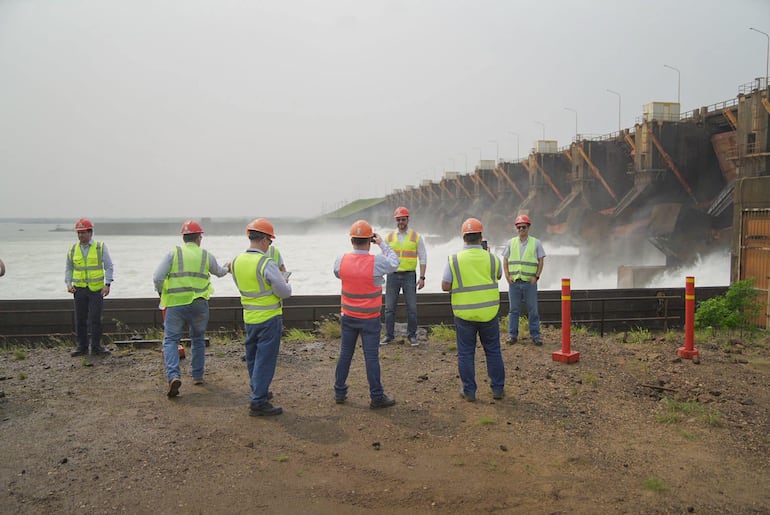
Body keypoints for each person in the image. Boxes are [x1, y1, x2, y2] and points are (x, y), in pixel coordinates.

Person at [153, 220, 229, 398]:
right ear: (199, 238)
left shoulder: (173, 253)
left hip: (176, 303)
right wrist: (228, 267)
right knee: (198, 339)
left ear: (183, 237)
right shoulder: (205, 255)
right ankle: (197, 376)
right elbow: (218, 272)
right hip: (199, 304)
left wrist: (160, 291)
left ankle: (173, 376)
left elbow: (157, 276)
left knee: (171, 340)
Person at [333, 219, 400, 409]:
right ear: (369, 240)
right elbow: (395, 262)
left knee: (345, 354)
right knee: (371, 357)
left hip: (348, 316)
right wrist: (382, 243)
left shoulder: (341, 260)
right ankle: (376, 397)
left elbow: (337, 273)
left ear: (351, 240)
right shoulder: (377, 262)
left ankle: (339, 391)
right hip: (370, 318)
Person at [231, 218, 292, 417]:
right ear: (265, 239)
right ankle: (258, 401)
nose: (270, 245)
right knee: (265, 359)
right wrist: (286, 282)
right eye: (270, 241)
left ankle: (258, 390)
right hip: (269, 317)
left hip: (249, 317)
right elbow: (284, 292)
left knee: (253, 357)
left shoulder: (237, 261)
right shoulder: (266, 262)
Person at [441, 218, 505, 402]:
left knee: (466, 353)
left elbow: (445, 286)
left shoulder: (454, 259)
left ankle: (469, 391)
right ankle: (498, 389)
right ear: (481, 237)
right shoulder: (492, 258)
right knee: (493, 350)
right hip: (488, 312)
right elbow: (499, 275)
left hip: (464, 314)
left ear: (463, 238)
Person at [65, 218, 114, 357]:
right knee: (80, 319)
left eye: (83, 232)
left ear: (90, 233)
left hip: (96, 289)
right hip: (79, 289)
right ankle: (82, 347)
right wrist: (68, 283)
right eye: (79, 233)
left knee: (95, 319)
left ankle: (97, 346)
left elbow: (109, 266)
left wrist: (108, 284)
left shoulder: (100, 247)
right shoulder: (73, 249)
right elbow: (68, 268)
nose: (81, 235)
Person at [381, 206, 427, 347]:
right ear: (396, 220)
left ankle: (412, 336)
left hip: (409, 275)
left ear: (408, 220)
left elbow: (423, 257)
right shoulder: (389, 237)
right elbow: (384, 258)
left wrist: (422, 277)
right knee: (389, 308)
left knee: (412, 308)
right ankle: (389, 335)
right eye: (399, 219)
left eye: (403, 219)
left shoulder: (416, 237)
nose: (401, 222)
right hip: (392, 276)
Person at [502, 214, 546, 346]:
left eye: (524, 227)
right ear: (516, 228)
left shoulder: (536, 243)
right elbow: (505, 260)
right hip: (514, 282)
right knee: (513, 310)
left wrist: (536, 276)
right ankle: (512, 336)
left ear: (528, 227)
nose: (521, 229)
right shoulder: (510, 243)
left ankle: (536, 336)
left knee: (533, 310)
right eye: (519, 227)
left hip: (529, 283)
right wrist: (507, 276)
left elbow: (541, 260)